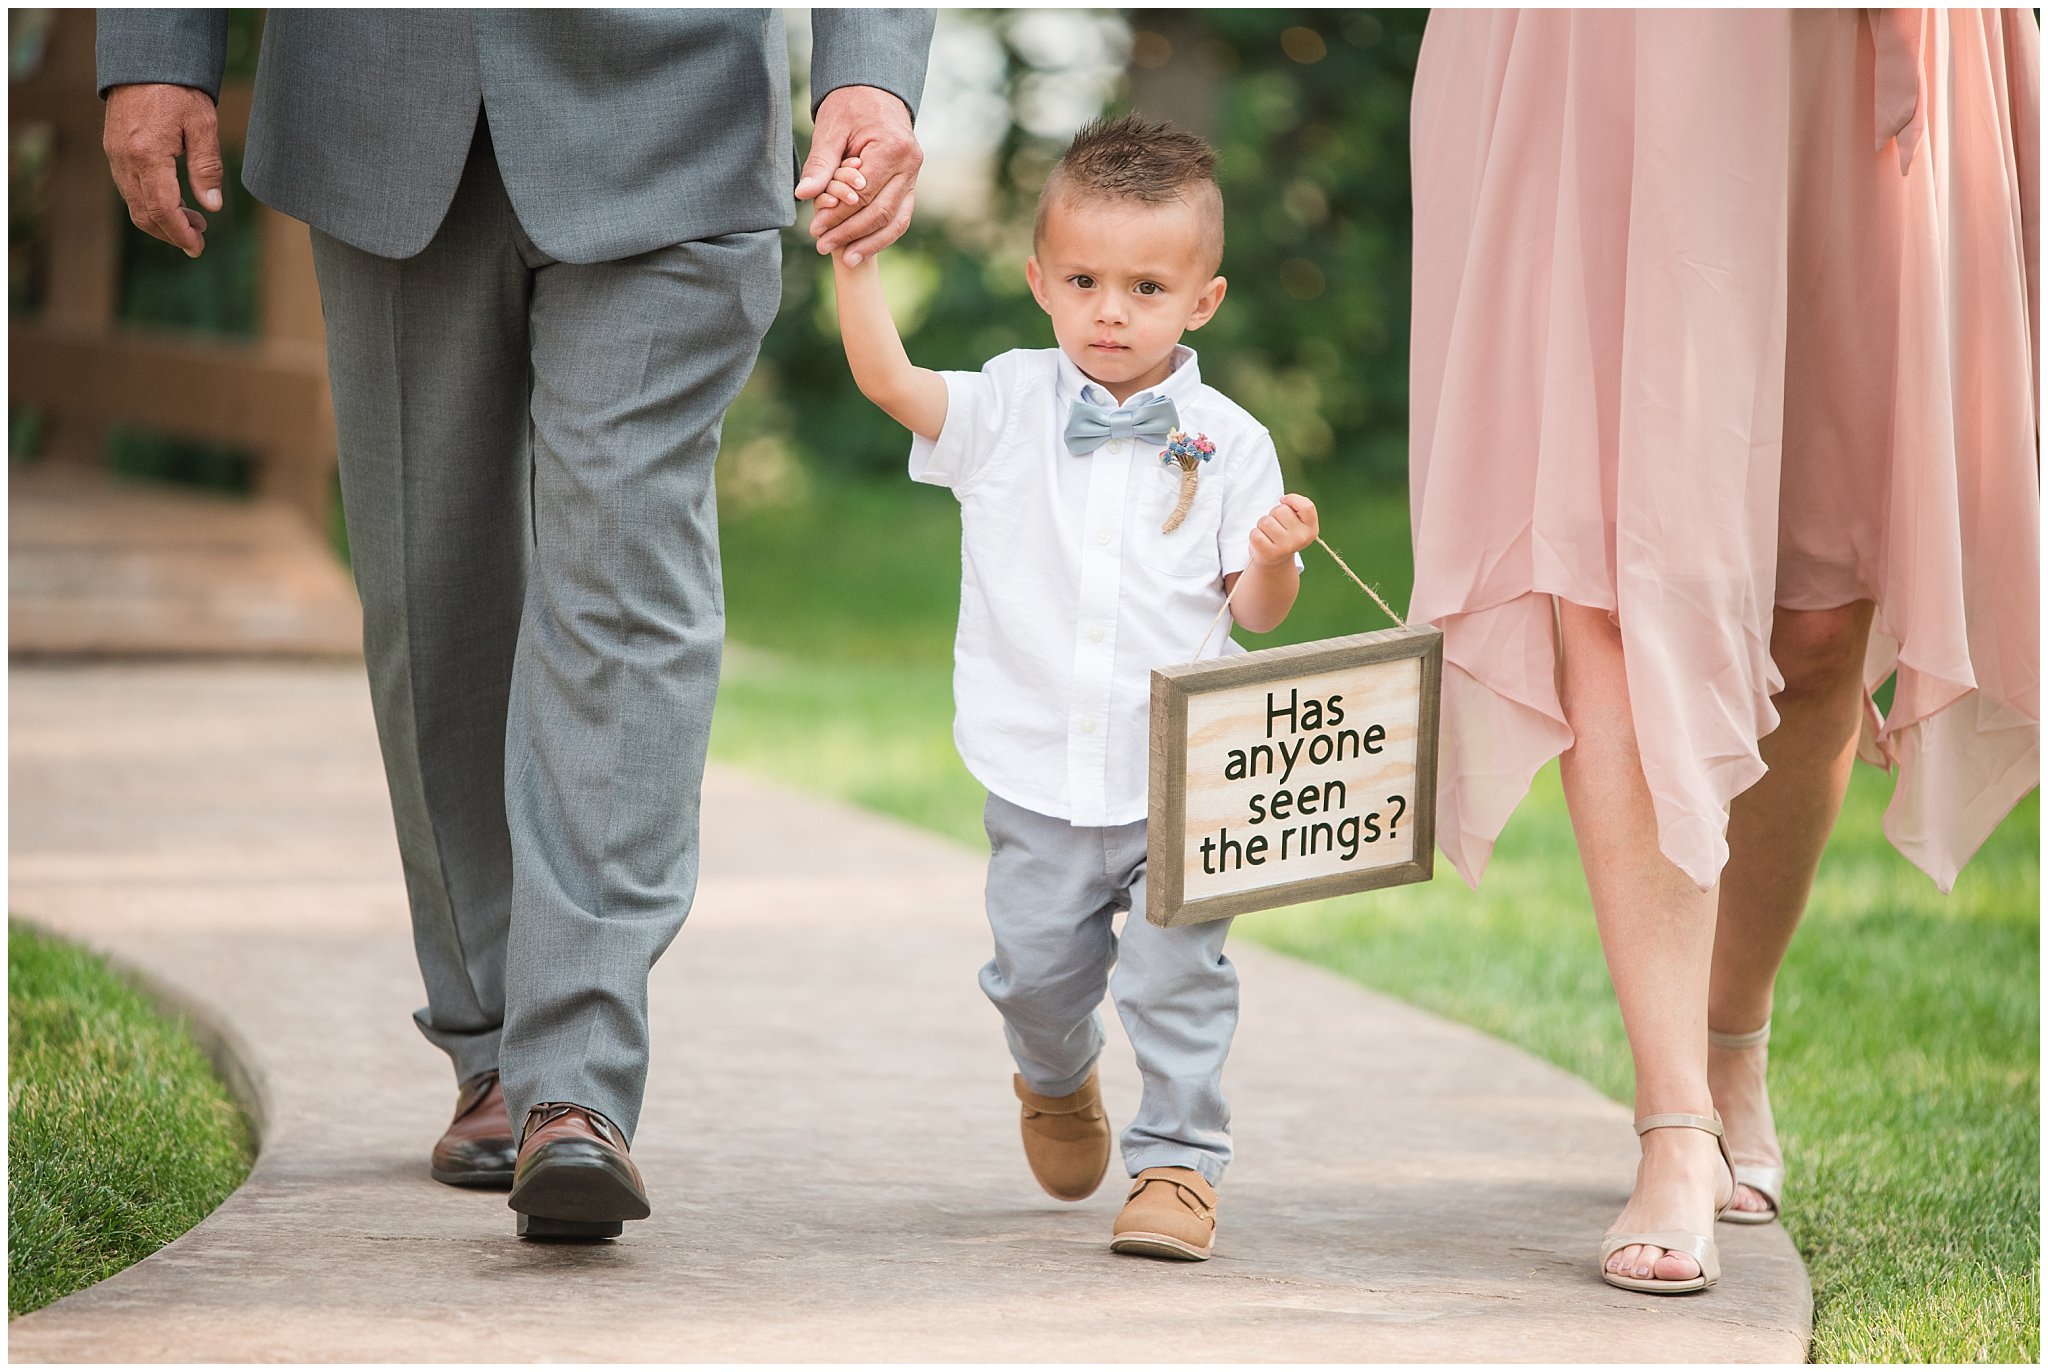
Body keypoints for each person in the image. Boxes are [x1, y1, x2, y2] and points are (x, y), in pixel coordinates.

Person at [96, 8, 936, 1241]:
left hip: (673, 110)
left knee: (622, 593)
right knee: (434, 598)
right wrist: (157, 49)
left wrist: (871, 73)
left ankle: (574, 1084)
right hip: (375, 101)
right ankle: (490, 1045)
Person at [1408, 10, 2037, 1294]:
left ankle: (1731, 1031)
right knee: (1607, 561)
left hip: (1840, 49)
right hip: (1613, 46)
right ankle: (1673, 1117)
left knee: (1817, 603)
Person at [826, 114, 1317, 1262]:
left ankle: (1178, 1167)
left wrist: (1277, 557)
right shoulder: (1005, 406)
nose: (1111, 310)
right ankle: (1053, 1081)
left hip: (1178, 772)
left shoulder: (1229, 442)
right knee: (1036, 975)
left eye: (1146, 286)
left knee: (1175, 975)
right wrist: (856, 265)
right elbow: (892, 382)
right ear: (1038, 280)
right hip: (1037, 768)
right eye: (1085, 280)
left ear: (1201, 299)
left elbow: (1249, 611)